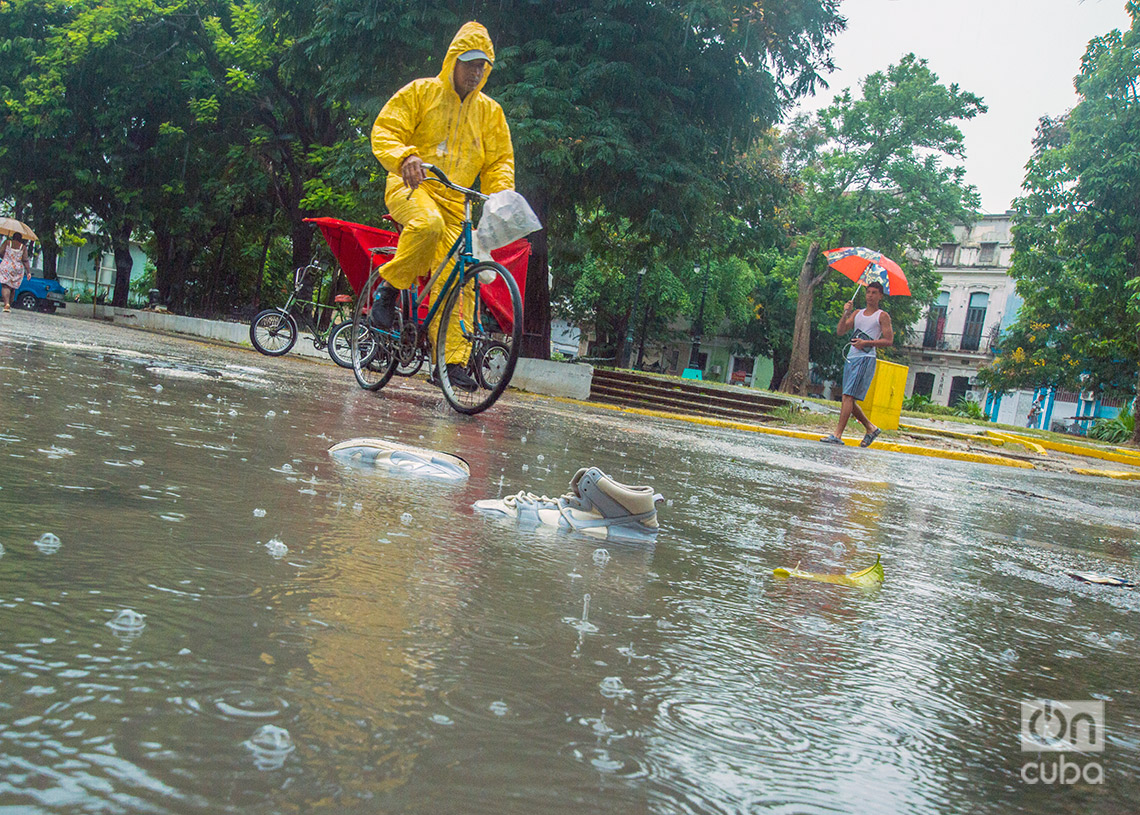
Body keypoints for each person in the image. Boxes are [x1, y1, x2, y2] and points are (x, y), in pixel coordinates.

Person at [369, 21, 515, 392]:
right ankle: (388, 288)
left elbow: (499, 162)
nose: (475, 71)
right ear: (453, 61)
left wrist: (499, 197)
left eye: (482, 65)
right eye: (469, 63)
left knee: (460, 275)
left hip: (457, 203)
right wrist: (405, 157)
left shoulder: (491, 114)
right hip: (410, 186)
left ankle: (448, 364)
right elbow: (386, 129)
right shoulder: (421, 92)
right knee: (427, 225)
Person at [820, 281, 894, 447]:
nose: (870, 295)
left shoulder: (882, 316)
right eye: (868, 292)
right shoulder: (858, 313)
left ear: (880, 296)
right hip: (851, 357)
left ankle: (837, 434)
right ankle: (871, 428)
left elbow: (888, 340)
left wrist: (867, 342)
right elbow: (840, 331)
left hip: (865, 358)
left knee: (847, 396)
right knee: (848, 398)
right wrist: (846, 313)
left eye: (874, 292)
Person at [0, 233, 33, 313]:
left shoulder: (7, 242)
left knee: (5, 286)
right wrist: (28, 272)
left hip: (6, 267)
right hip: (17, 269)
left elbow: (0, 252)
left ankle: (6, 303)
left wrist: (5, 256)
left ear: (13, 237)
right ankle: (9, 304)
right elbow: (25, 260)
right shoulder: (23, 247)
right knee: (12, 287)